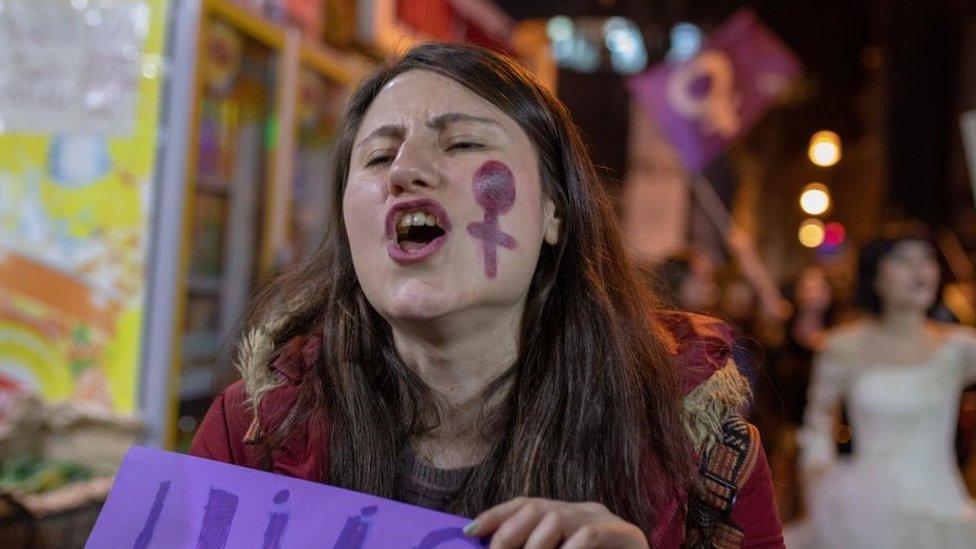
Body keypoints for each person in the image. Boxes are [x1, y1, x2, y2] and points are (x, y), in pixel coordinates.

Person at [190, 42, 782, 548]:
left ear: (555, 212)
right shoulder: (252, 434)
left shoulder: (701, 454)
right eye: (376, 155)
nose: (405, 170)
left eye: (464, 145)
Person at [796, 228, 976, 548]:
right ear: (876, 277)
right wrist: (820, 481)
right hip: (863, 515)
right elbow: (817, 424)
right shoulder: (841, 346)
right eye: (904, 260)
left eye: (927, 260)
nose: (919, 271)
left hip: (943, 509)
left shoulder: (960, 348)